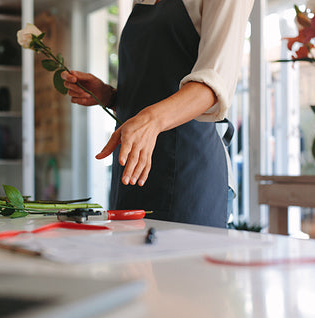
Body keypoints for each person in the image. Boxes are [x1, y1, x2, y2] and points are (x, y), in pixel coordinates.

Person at [62, 0, 253, 227]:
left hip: (188, 173)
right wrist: (110, 96)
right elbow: (158, 83)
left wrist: (150, 120)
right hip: (132, 173)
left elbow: (213, 85)